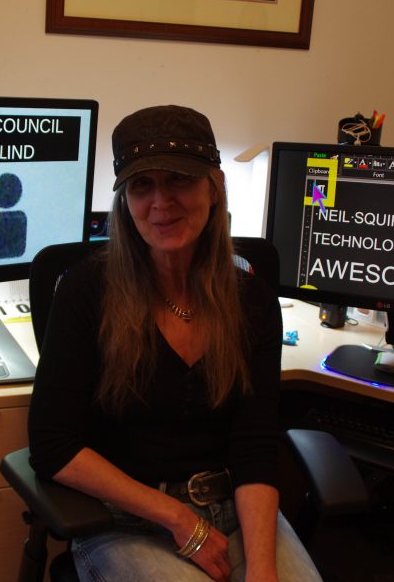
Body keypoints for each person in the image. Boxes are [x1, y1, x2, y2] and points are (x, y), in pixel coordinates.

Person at [28, 105, 323, 582]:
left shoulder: (251, 300)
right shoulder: (86, 290)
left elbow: (255, 446)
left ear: (213, 186)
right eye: (143, 186)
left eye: (180, 180)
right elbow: (52, 446)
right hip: (125, 521)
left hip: (236, 512)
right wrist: (179, 518)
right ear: (124, 200)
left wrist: (264, 568)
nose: (161, 202)